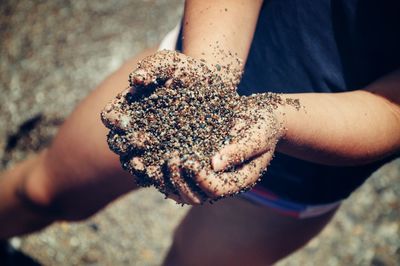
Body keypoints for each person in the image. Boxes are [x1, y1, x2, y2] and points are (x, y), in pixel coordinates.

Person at [1, 0, 399, 265]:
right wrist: (208, 70)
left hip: (309, 173)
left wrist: (278, 119)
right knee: (43, 191)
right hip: (180, 77)